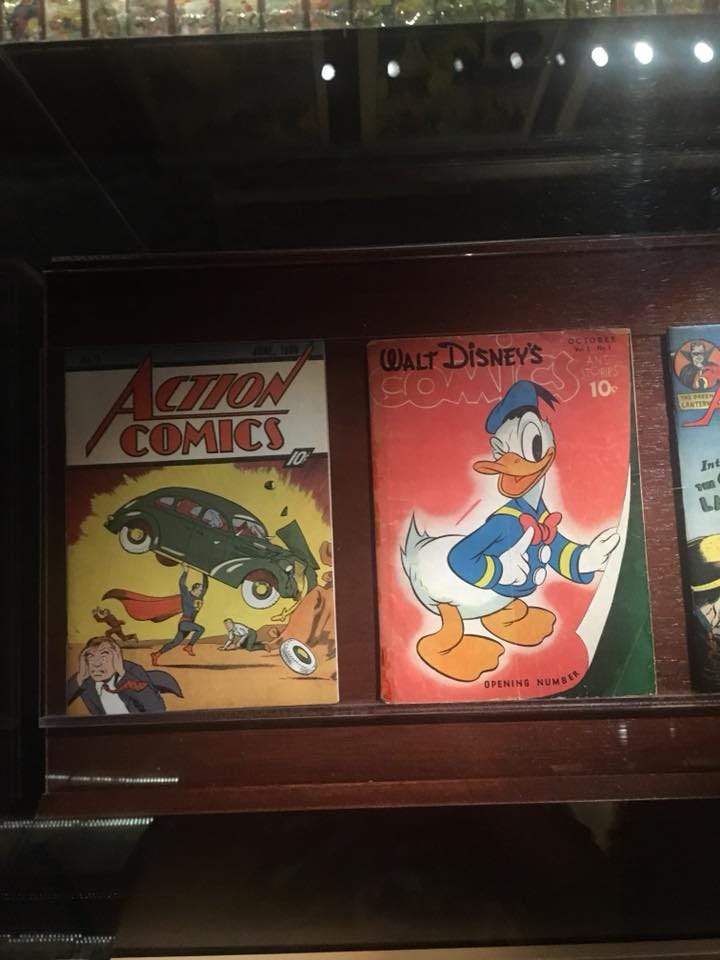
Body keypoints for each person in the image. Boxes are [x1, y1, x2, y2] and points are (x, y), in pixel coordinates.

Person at [67, 637, 182, 715]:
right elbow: (58, 705)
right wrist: (80, 678)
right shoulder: (84, 680)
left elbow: (157, 709)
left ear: (117, 657)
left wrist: (123, 674)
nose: (96, 664)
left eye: (104, 656)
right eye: (91, 656)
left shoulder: (133, 672)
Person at [152, 563, 208, 665]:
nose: (202, 591)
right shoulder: (186, 595)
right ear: (194, 589)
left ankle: (156, 654)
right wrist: (185, 572)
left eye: (202, 590)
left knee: (175, 642)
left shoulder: (200, 596)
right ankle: (189, 646)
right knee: (201, 629)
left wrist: (205, 573)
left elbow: (206, 586)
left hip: (189, 623)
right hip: (184, 623)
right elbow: (182, 584)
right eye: (200, 590)